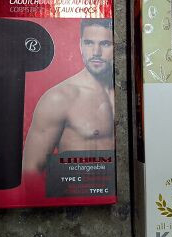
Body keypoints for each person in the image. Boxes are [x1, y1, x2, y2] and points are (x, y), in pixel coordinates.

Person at [22, 19, 114, 172]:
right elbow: (31, 169)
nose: (96, 52)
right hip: (77, 185)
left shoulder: (128, 95)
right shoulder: (59, 98)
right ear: (80, 45)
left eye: (105, 44)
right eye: (89, 43)